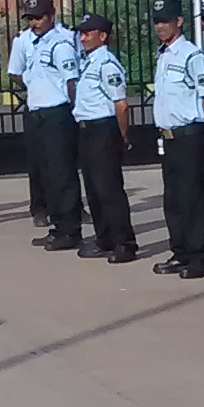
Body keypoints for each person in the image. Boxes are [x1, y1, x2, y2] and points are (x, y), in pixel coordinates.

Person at [149, 0, 204, 277]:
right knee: (174, 198)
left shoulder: (192, 55)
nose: (160, 27)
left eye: (165, 21)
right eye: (157, 22)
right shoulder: (164, 55)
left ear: (179, 21)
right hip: (168, 136)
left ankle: (201, 257)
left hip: (189, 133)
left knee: (193, 197)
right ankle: (181, 252)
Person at [10, 0, 83, 250]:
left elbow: (71, 81)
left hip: (57, 114)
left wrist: (75, 111)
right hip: (38, 114)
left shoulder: (61, 45)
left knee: (62, 173)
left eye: (39, 18)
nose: (34, 23)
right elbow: (23, 75)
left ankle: (70, 230)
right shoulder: (35, 43)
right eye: (30, 19)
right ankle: (58, 226)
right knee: (48, 174)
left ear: (51, 17)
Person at [73, 14, 138, 263]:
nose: (82, 38)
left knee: (109, 189)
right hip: (87, 129)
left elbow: (121, 104)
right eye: (81, 33)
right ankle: (105, 239)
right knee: (93, 189)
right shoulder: (88, 62)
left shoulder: (107, 64)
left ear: (102, 36)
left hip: (103, 129)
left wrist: (121, 135)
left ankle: (124, 243)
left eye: (87, 33)